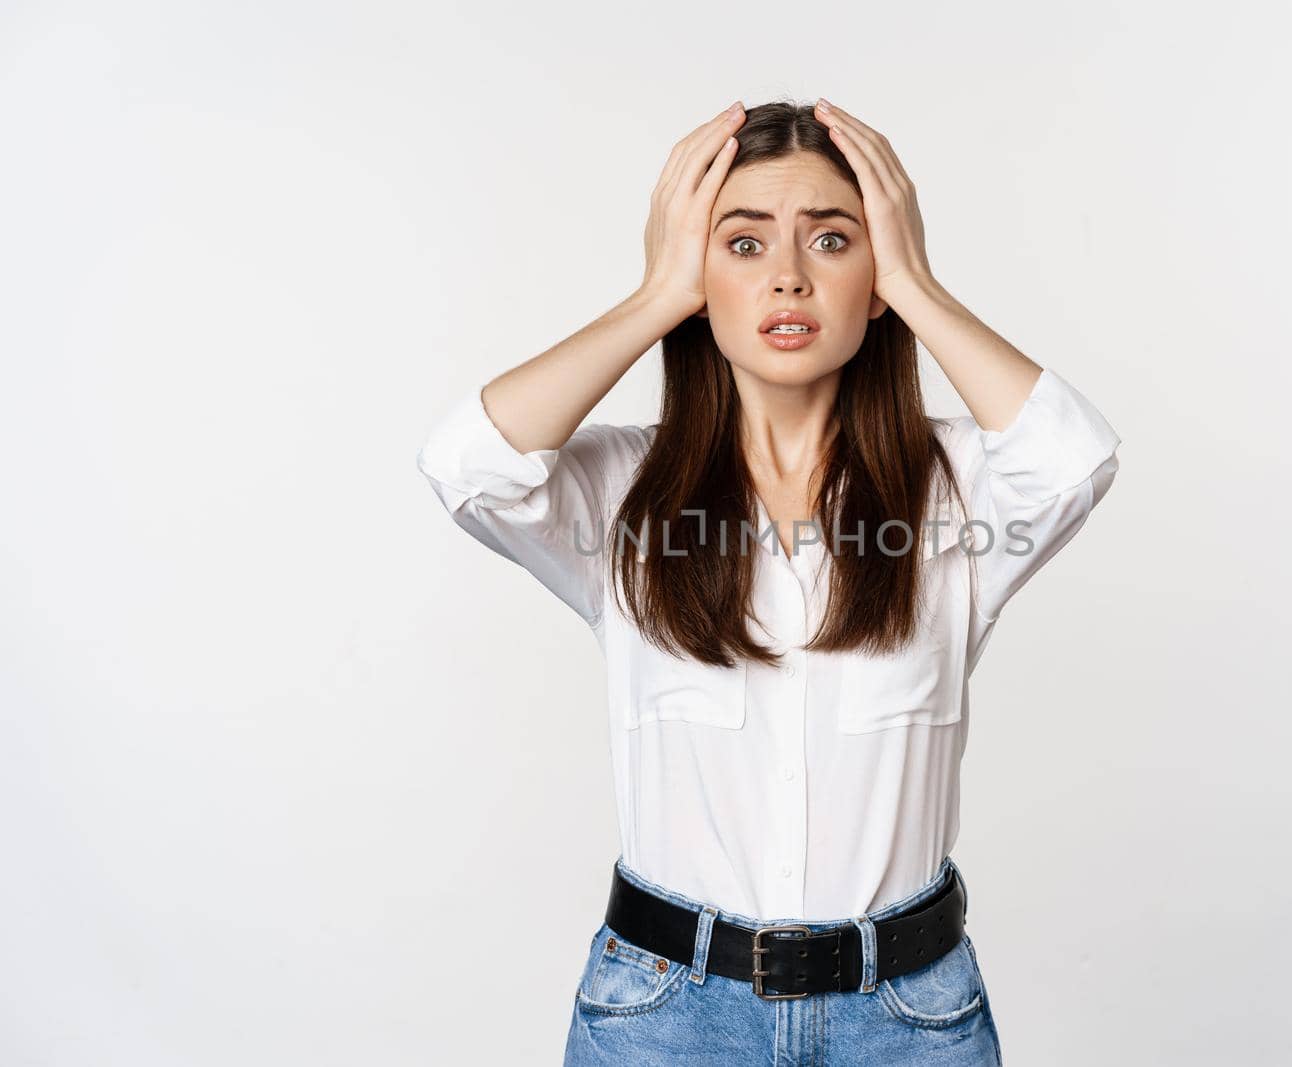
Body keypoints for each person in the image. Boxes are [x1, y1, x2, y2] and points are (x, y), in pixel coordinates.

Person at [416, 96, 1122, 1065]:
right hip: (664, 1016)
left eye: (832, 240)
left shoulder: (958, 493)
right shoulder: (622, 494)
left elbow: (1075, 460)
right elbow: (465, 463)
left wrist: (913, 280)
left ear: (874, 277)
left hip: (907, 1018)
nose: (788, 276)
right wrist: (655, 293)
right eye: (742, 245)